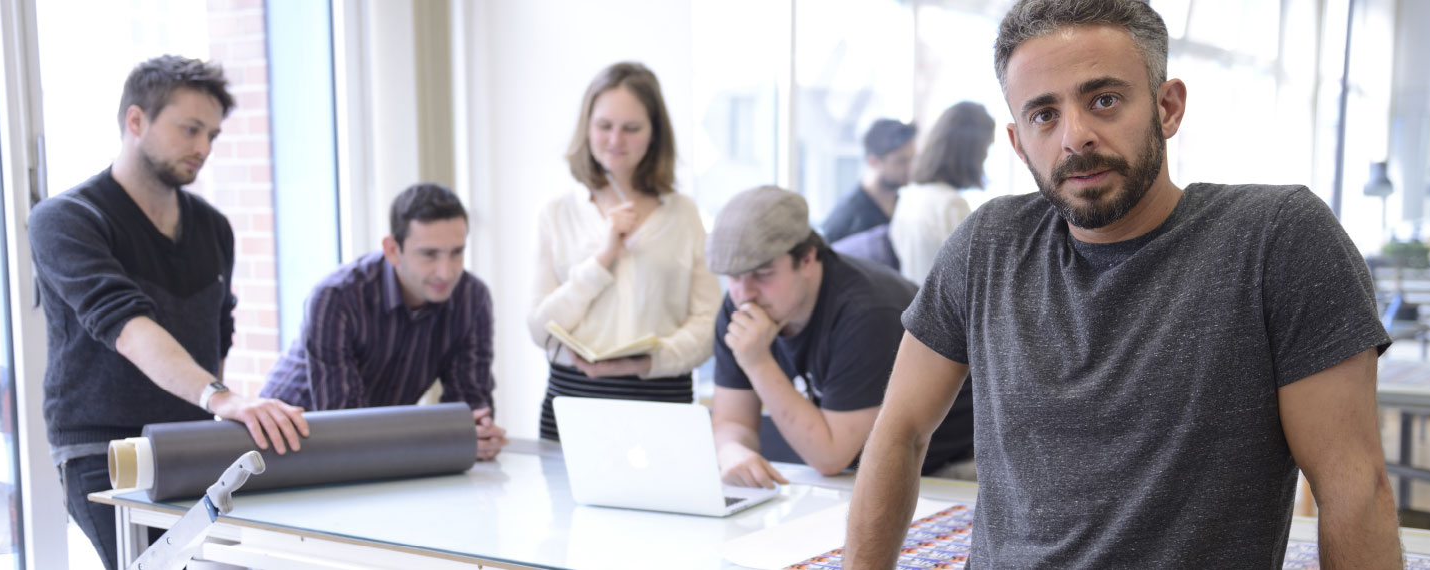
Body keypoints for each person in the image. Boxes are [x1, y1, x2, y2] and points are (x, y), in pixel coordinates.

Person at [845, 1, 1403, 568]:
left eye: (1104, 100)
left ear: (1168, 107)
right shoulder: (988, 243)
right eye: (1044, 115)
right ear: (1018, 142)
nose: (1075, 137)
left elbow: (1352, 489)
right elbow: (901, 431)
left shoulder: (1275, 239)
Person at [27, 55, 309, 570]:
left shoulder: (214, 228)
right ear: (136, 121)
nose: (202, 148)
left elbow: (217, 334)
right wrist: (221, 397)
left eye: (212, 136)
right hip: (105, 452)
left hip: (194, 446)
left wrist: (214, 407)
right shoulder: (66, 220)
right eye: (190, 129)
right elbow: (130, 329)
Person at [707, 186, 974, 488]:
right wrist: (733, 453)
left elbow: (830, 456)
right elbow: (732, 420)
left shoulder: (866, 311)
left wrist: (757, 362)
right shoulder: (742, 306)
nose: (744, 295)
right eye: (733, 277)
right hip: (865, 471)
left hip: (949, 470)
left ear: (807, 259)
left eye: (763, 274)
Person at [528, 61, 720, 441]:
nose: (616, 140)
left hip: (661, 399)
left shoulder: (683, 215)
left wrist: (649, 362)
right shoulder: (556, 213)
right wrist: (603, 257)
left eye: (631, 128)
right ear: (587, 128)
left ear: (654, 133)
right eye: (604, 126)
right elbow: (539, 328)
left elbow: (707, 322)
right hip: (573, 401)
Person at [261, 183, 506, 460]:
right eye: (429, 254)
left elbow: (471, 410)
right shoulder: (336, 298)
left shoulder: (472, 298)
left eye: (456, 252)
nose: (446, 272)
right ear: (392, 249)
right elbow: (345, 425)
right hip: (282, 443)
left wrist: (478, 435)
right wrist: (442, 436)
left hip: (374, 452)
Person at [889, 101, 995, 284]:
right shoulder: (950, 204)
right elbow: (973, 280)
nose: (985, 157)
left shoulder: (910, 195)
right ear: (969, 152)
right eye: (985, 148)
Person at [820, 119, 917, 243]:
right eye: (901, 161)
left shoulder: (904, 207)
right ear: (873, 161)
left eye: (912, 159)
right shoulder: (847, 219)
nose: (910, 168)